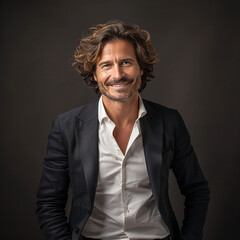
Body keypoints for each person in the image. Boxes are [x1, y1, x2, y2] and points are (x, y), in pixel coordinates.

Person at [36, 20, 210, 240]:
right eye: (106, 65)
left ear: (141, 67)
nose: (117, 74)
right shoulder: (67, 126)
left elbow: (197, 191)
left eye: (126, 62)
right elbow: (49, 203)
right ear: (94, 73)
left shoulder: (169, 121)